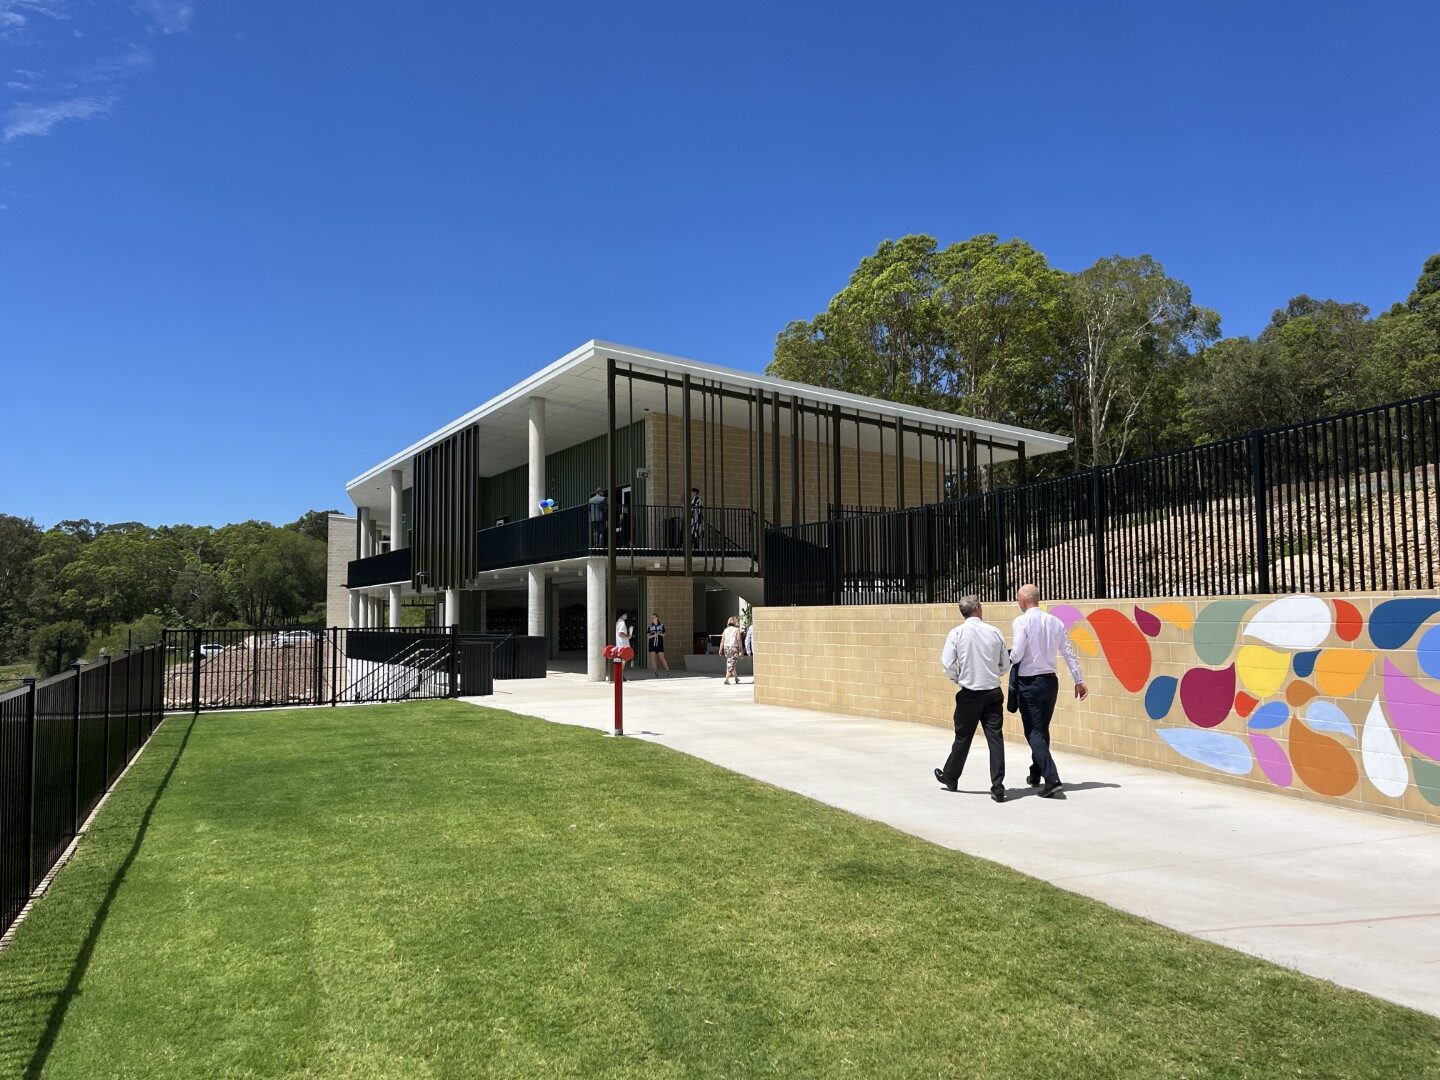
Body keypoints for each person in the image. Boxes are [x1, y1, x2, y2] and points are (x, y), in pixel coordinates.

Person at [1009, 583, 1088, 798]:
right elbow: (1069, 653)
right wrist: (1079, 681)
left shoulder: (1021, 621)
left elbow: (1016, 654)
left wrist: (1004, 659)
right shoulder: (1056, 622)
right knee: (1042, 729)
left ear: (1024, 600)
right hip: (1050, 682)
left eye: (1018, 599)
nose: (1018, 602)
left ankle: (1052, 779)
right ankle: (1036, 773)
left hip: (1030, 683)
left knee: (1033, 731)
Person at [936, 595, 1010, 803]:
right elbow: (1005, 665)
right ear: (978, 608)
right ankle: (998, 785)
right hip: (993, 692)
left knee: (963, 736)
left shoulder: (956, 633)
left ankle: (951, 776)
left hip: (970, 692)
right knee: (995, 738)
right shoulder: (994, 632)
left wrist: (959, 678)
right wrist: (994, 673)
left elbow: (948, 663)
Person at [720, 616, 744, 685]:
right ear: (735, 622)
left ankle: (736, 678)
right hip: (734, 648)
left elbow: (722, 640)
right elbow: (739, 639)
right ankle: (726, 679)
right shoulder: (736, 630)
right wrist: (741, 649)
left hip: (726, 648)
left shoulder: (725, 630)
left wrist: (720, 649)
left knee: (731, 663)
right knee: (731, 664)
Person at [647, 611, 671, 676]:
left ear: (657, 618)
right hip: (652, 643)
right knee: (653, 658)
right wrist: (653, 635)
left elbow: (664, 635)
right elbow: (648, 636)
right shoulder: (650, 626)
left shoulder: (661, 625)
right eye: (652, 618)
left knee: (662, 657)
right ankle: (655, 672)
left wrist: (659, 633)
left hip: (659, 643)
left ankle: (668, 672)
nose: (652, 619)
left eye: (654, 618)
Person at [613, 610, 631, 682]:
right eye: (626, 615)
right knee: (624, 659)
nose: (626, 616)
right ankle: (620, 675)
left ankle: (620, 675)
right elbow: (620, 633)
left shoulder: (618, 622)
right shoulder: (622, 623)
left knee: (622, 659)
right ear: (623, 615)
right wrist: (628, 636)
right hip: (623, 644)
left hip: (620, 644)